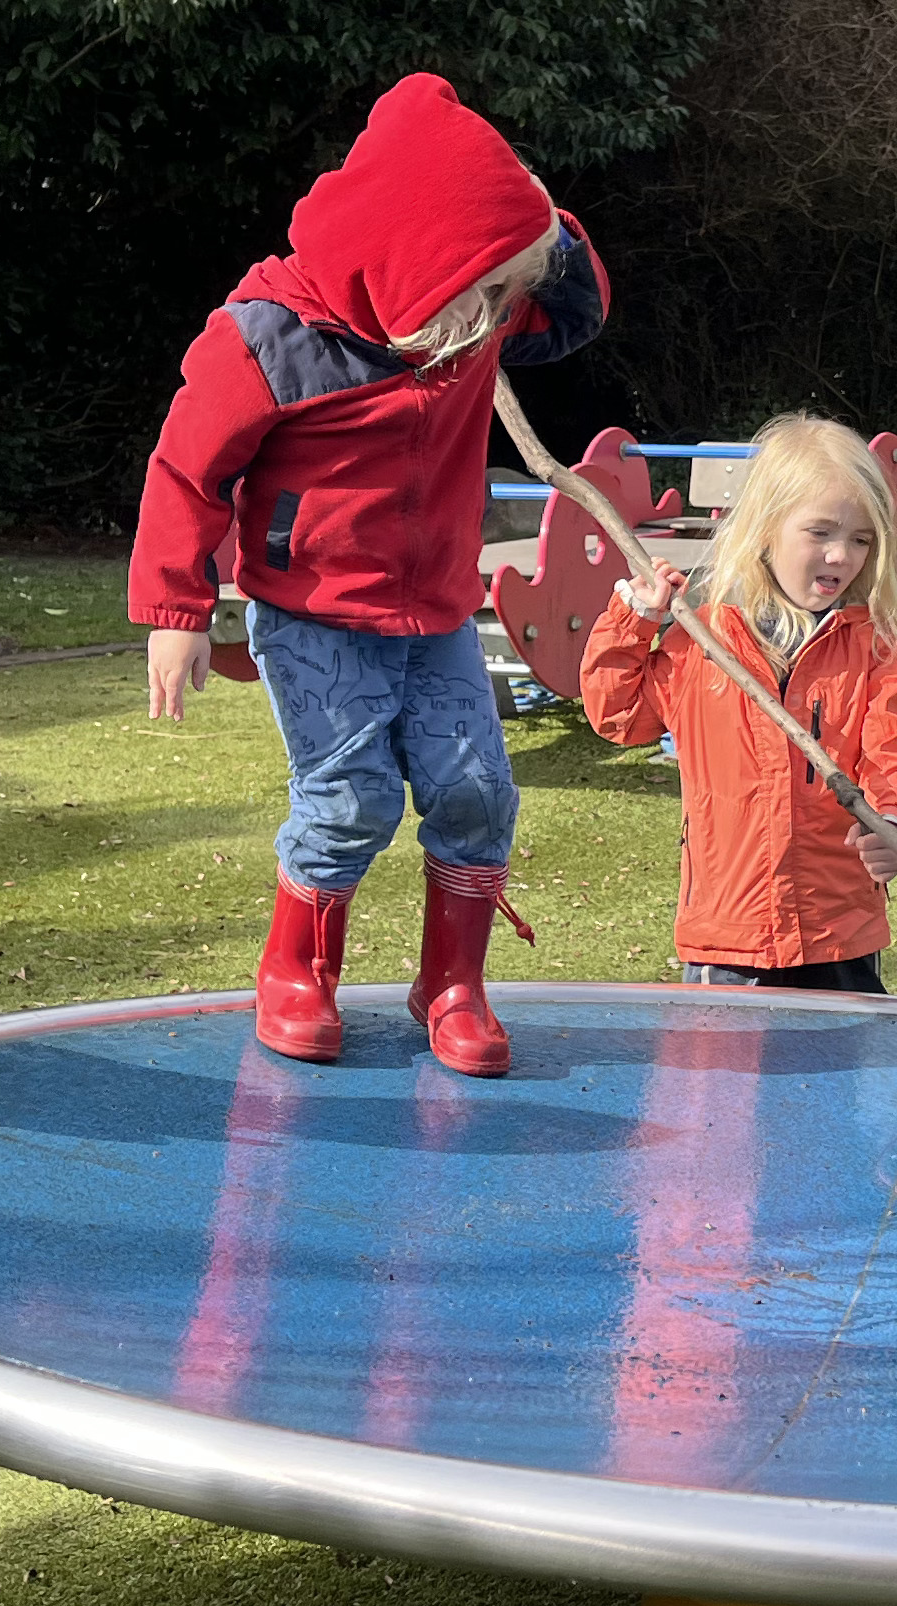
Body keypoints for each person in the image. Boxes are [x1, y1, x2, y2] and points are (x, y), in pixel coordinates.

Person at [129, 73, 609, 1075]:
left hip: (433, 607)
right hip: (314, 613)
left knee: (476, 786)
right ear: (412, 265)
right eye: (485, 295)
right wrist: (176, 608)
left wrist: (537, 225)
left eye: (505, 294)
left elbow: (574, 316)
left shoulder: (460, 319)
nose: (500, 319)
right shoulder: (264, 339)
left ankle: (453, 982)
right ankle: (295, 974)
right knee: (349, 795)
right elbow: (185, 470)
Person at [571, 413, 897, 990]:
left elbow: (894, 750)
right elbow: (620, 717)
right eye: (820, 533)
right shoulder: (704, 639)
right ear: (765, 528)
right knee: (723, 1080)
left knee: (845, 1076)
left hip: (838, 925)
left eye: (861, 539)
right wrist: (634, 621)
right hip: (729, 929)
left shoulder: (868, 647)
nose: (841, 555)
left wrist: (894, 825)